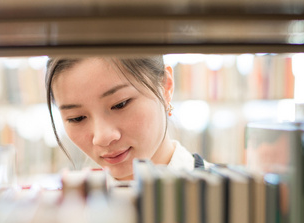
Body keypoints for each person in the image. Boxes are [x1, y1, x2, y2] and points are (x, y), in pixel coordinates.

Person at [45, 56, 211, 181]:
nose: (102, 137)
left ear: (166, 87)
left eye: (120, 104)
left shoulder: (230, 199)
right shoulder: (68, 213)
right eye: (77, 118)